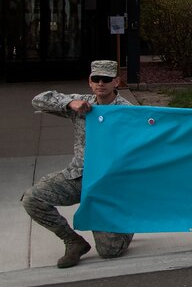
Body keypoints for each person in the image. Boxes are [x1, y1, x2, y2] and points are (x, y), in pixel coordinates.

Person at [21, 61, 135, 268]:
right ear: (90, 82)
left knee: (110, 251)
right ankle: (73, 241)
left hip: (108, 185)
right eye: (96, 79)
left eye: (107, 79)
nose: (101, 83)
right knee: (32, 199)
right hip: (78, 176)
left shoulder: (128, 112)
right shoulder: (81, 104)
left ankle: (125, 223)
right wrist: (68, 104)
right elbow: (38, 101)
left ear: (116, 82)